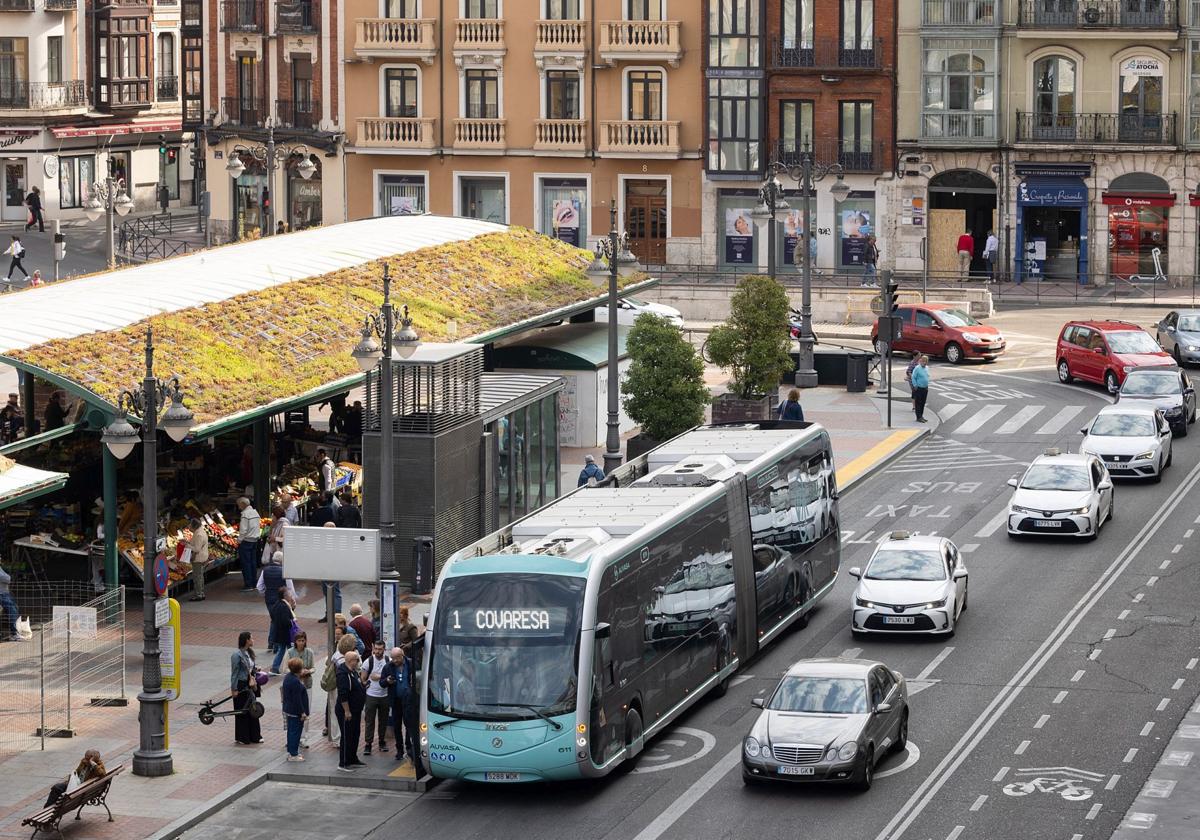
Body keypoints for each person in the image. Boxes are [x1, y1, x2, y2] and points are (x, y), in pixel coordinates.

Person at [383, 646, 420, 771]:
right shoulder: (388, 667)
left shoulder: (411, 663)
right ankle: (399, 750)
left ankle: (409, 748)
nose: (394, 660)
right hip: (396, 700)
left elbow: (419, 677)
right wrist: (387, 680)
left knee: (409, 724)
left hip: (409, 700)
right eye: (393, 658)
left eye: (397, 658)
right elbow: (382, 683)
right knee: (397, 724)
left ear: (402, 655)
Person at [335, 650, 367, 770]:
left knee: (355, 734)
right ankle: (343, 763)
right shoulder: (343, 674)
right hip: (346, 712)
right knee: (347, 736)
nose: (358, 662)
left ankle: (352, 758)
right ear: (350, 661)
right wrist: (347, 711)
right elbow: (343, 694)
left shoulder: (353, 672)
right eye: (356, 660)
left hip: (356, 710)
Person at [231, 631, 264, 745]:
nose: (253, 640)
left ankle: (255, 736)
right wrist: (234, 689)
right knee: (242, 711)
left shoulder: (250, 653)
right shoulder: (236, 656)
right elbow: (234, 673)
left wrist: (256, 669)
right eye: (251, 638)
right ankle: (242, 736)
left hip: (250, 684)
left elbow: (251, 667)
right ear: (246, 640)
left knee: (253, 709)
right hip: (241, 685)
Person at [285, 631, 315, 748]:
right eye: (299, 640)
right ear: (295, 642)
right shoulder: (290, 652)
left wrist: (309, 671)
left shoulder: (309, 652)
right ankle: (292, 737)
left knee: (306, 710)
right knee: (293, 712)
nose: (301, 643)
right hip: (294, 686)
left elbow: (313, 667)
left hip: (306, 684)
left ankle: (303, 737)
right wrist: (296, 672)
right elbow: (285, 669)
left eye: (303, 640)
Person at [361, 639, 390, 755]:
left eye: (380, 649)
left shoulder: (388, 661)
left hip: (385, 695)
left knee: (383, 720)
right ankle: (368, 744)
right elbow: (363, 678)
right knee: (369, 721)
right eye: (376, 649)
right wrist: (366, 683)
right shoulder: (368, 662)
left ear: (384, 649)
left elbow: (391, 676)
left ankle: (382, 741)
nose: (378, 651)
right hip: (371, 695)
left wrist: (378, 676)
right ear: (373, 649)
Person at [281, 657, 309, 761]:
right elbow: (297, 699)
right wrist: (302, 712)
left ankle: (291, 751)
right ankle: (294, 754)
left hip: (289, 709)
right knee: (295, 732)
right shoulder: (295, 682)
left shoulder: (288, 677)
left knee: (291, 731)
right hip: (295, 711)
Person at [236, 497, 261, 591]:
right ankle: (254, 583)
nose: (238, 507)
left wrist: (239, 540)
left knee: (246, 563)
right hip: (254, 541)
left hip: (246, 542)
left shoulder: (245, 514)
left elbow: (243, 530)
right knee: (253, 562)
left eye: (239, 505)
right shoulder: (255, 513)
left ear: (243, 504)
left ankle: (248, 584)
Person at [269, 588, 296, 674]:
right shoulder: (284, 606)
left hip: (279, 633)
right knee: (291, 651)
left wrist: (292, 608)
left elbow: (273, 616)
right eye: (289, 594)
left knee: (281, 650)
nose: (291, 596)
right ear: (285, 596)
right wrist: (293, 622)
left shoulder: (277, 604)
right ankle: (294, 667)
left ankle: (275, 668)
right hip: (285, 634)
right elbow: (286, 620)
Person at [187, 517, 210, 601]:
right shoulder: (199, 531)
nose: (188, 527)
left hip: (198, 558)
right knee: (200, 576)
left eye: (190, 525)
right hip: (201, 557)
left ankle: (198, 595)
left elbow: (197, 549)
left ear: (194, 526)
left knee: (197, 577)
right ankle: (201, 593)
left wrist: (187, 545)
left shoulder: (199, 534)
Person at [0, 561, 21, 641]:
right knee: (12, 609)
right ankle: (14, 633)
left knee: (14, 608)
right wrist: (8, 577)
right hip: (2, 594)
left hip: (4, 593)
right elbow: (7, 578)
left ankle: (15, 631)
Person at [911, 354, 931, 423]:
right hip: (919, 388)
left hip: (925, 388)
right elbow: (913, 377)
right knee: (918, 403)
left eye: (926, 361)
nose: (924, 363)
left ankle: (921, 416)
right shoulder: (917, 368)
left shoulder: (927, 368)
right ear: (921, 361)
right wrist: (915, 385)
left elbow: (927, 376)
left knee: (923, 403)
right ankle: (918, 417)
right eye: (923, 361)